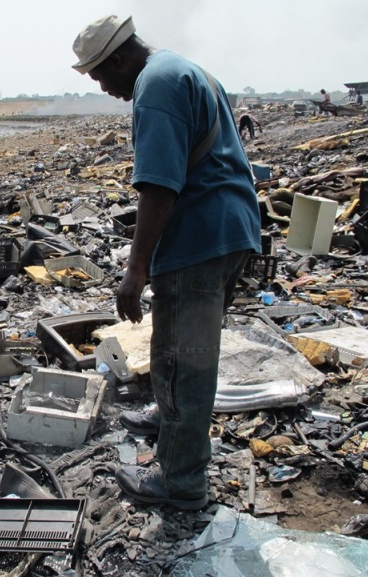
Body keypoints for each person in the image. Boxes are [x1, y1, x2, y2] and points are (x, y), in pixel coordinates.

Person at [72, 16, 261, 510]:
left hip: (202, 234)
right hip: (229, 227)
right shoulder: (182, 69)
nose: (104, 86)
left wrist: (136, 271)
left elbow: (158, 185)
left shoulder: (153, 87)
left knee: (186, 361)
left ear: (118, 59)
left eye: (99, 75)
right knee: (177, 340)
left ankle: (180, 482)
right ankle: (169, 418)